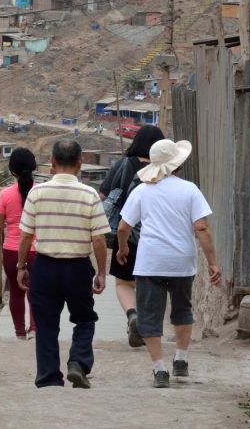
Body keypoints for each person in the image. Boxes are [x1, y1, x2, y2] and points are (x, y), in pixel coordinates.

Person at [117, 138, 222, 389]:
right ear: (178, 164)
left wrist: (122, 249)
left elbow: (123, 227)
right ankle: (181, 359)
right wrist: (212, 263)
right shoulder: (190, 190)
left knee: (149, 315)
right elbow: (202, 228)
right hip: (181, 262)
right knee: (182, 309)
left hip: (150, 261)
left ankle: (159, 369)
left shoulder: (142, 190)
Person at [17, 140, 109, 389]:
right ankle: (78, 363)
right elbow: (99, 239)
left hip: (45, 267)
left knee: (46, 322)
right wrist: (101, 272)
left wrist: (21, 266)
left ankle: (48, 377)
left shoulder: (37, 193)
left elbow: (25, 235)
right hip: (78, 268)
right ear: (80, 163)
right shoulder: (89, 195)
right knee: (84, 319)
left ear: (53, 163)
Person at [99, 125, 165, 348]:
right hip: (160, 236)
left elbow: (104, 195)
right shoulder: (167, 168)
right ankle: (148, 323)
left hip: (128, 234)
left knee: (124, 283)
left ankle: (132, 315)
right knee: (153, 283)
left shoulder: (123, 164)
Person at [0, 148, 39, 340]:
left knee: (16, 293)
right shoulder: (41, 191)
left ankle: (19, 333)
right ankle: (34, 329)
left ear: (12, 171)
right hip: (38, 251)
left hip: (11, 251)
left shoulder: (5, 194)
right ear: (33, 166)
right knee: (35, 291)